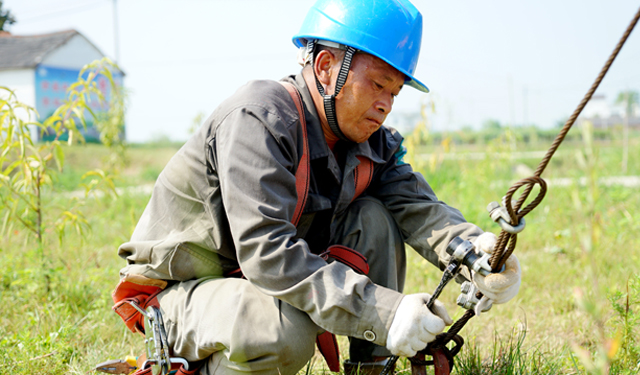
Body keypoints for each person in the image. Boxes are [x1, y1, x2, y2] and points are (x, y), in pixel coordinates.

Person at [114, 0, 522, 374]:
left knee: (374, 219)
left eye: (394, 92)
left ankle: (373, 369)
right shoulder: (259, 117)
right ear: (326, 67)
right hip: (181, 293)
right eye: (377, 85)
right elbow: (266, 252)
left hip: (250, 285)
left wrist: (475, 251)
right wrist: (385, 312)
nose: (386, 104)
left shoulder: (368, 140)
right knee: (281, 332)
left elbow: (418, 206)